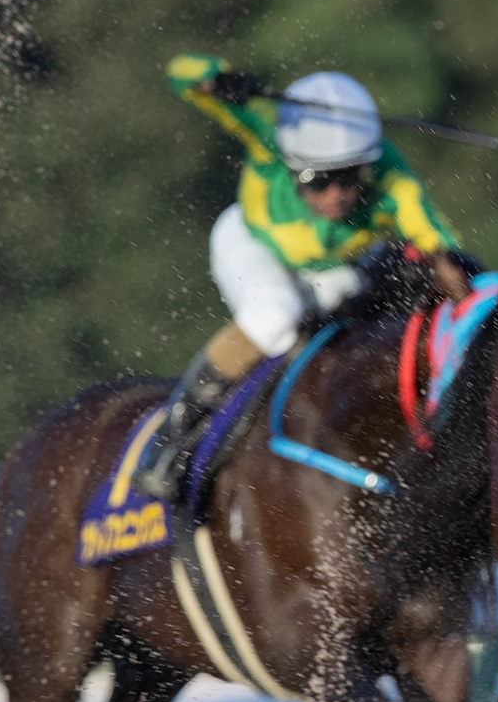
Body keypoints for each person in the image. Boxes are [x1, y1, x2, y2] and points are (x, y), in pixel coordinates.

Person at [131, 55, 471, 501]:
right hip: (251, 244)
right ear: (292, 166)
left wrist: (452, 268)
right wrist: (215, 77)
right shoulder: (268, 135)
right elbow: (181, 74)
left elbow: (432, 234)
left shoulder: (390, 173)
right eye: (317, 181)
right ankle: (171, 439)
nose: (336, 195)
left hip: (328, 269)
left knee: (371, 304)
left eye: (349, 178)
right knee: (276, 316)